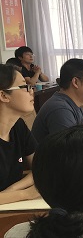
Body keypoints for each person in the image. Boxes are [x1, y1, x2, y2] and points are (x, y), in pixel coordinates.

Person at [0, 64, 39, 205]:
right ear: (3, 95)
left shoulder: (18, 126)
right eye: (24, 87)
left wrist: (12, 190)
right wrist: (26, 194)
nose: (31, 91)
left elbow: (41, 166)